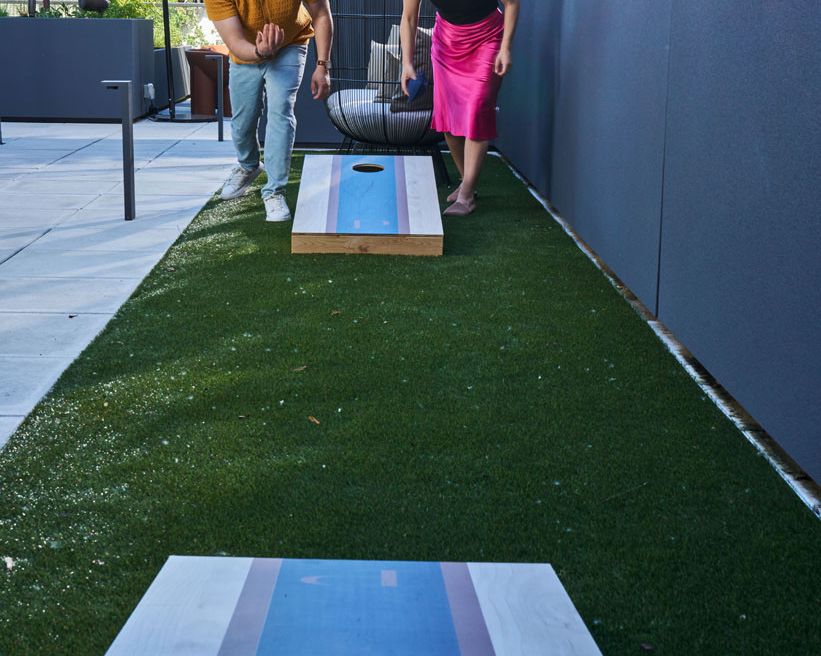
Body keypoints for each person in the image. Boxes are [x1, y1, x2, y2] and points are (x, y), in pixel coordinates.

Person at [204, 0, 333, 222]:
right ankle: (248, 165)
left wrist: (322, 66)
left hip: (290, 44)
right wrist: (259, 51)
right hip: (246, 51)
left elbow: (321, 14)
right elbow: (235, 41)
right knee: (243, 121)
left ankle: (274, 191)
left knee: (280, 112)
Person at [400, 0, 519, 216]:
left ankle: (466, 197)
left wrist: (506, 48)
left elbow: (511, 3)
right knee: (448, 120)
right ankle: (467, 183)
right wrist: (406, 63)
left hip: (488, 38)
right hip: (447, 43)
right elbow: (409, 17)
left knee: (478, 109)